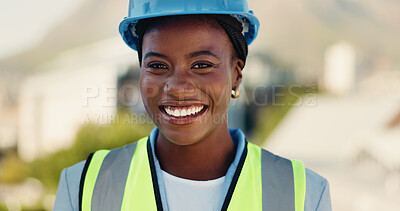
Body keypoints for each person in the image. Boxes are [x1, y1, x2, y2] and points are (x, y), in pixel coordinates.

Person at [54, 0, 332, 210]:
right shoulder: (83, 187)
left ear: (236, 75)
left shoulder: (303, 193)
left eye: (201, 65)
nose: (177, 86)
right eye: (158, 66)